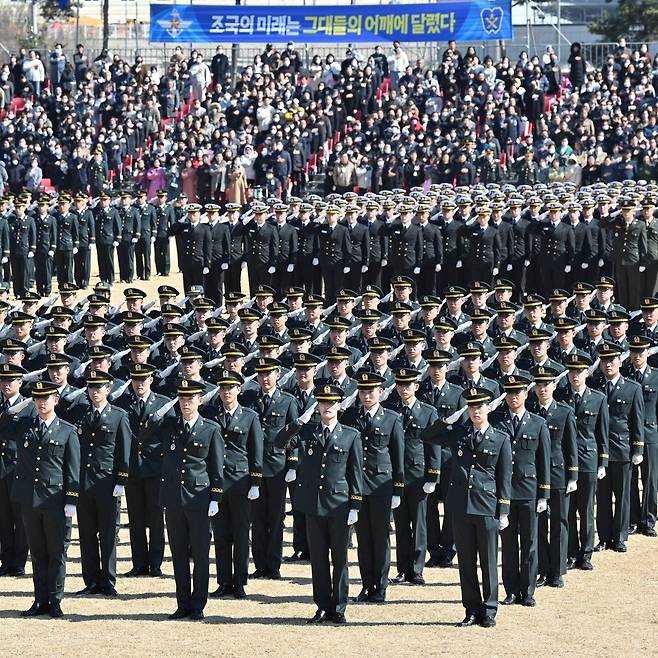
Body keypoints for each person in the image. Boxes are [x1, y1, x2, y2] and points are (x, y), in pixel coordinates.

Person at [422, 387, 512, 629]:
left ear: (488, 409)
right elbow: (426, 436)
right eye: (471, 407)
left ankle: (490, 609)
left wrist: (503, 510)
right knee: (467, 562)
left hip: (486, 507)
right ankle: (472, 608)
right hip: (460, 506)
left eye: (480, 407)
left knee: (488, 561)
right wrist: (446, 421)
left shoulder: (501, 438)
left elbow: (504, 477)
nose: (476, 412)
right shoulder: (458, 433)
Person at [274, 383, 362, 624]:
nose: (327, 407)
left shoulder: (351, 435)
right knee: (319, 560)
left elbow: (355, 473)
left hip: (340, 505)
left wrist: (355, 505)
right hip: (314, 505)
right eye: (323, 403)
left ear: (339, 406)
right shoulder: (307, 431)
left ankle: (339, 607)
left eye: (331, 403)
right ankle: (322, 606)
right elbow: (279, 442)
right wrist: (298, 423)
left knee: (340, 560)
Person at [13, 381, 79, 618]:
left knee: (56, 553)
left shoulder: (67, 431)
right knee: (38, 553)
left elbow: (72, 469)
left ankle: (55, 600)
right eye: (37, 398)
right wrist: (20, 405)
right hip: (30, 501)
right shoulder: (24, 426)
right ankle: (39, 600)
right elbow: (4, 422)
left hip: (55, 501)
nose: (41, 402)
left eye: (46, 398)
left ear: (56, 401)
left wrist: (71, 500)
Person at [341, 371, 404, 603]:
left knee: (380, 538)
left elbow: (398, 456)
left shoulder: (392, 418)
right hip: (357, 485)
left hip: (381, 486)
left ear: (380, 392)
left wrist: (398, 488)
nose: (367, 395)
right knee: (363, 538)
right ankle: (366, 585)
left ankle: (381, 586)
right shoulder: (350, 417)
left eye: (371, 391)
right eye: (363, 391)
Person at [492, 374, 550, 607]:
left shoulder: (538, 423)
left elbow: (543, 460)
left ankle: (527, 590)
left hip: (528, 491)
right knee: (507, 545)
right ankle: (511, 590)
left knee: (529, 543)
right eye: (510, 393)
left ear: (526, 394)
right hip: (505, 493)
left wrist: (544, 494)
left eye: (518, 392)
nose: (514, 397)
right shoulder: (497, 422)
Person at [205, 369, 263, 599]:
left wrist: (255, 482)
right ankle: (223, 581)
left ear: (239, 390)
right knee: (220, 534)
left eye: (230, 388)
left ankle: (239, 581)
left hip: (240, 482)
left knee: (240, 534)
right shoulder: (211, 415)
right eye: (222, 388)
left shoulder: (250, 417)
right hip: (217, 481)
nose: (226, 392)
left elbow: (256, 451)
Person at [239, 357, 298, 580]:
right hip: (252, 467)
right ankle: (259, 564)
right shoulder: (249, 398)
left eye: (269, 374)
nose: (265, 378)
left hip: (277, 467)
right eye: (261, 374)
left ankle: (273, 566)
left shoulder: (288, 401)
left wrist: (292, 463)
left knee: (275, 517)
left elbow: (293, 434)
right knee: (256, 517)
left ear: (277, 375)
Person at [75, 369, 131, 598]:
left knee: (108, 534)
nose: (94, 391)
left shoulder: (118, 416)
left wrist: (122, 480)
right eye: (91, 387)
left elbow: (124, 451)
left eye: (99, 387)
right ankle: (91, 581)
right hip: (84, 483)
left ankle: (108, 581)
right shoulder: (80, 414)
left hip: (107, 484)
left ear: (108, 389)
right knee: (87, 534)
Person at [115, 363, 173, 577]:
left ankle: (155, 564)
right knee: (136, 519)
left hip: (156, 468)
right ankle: (139, 563)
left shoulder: (163, 403)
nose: (139, 384)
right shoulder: (123, 403)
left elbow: (169, 436)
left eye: (144, 379)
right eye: (136, 379)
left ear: (151, 380)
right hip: (132, 468)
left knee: (156, 519)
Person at [384, 367, 440, 585]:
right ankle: (402, 568)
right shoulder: (389, 410)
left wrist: (432, 476)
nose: (403, 389)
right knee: (400, 524)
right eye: (400, 385)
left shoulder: (428, 412)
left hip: (418, 476)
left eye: (408, 385)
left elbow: (434, 446)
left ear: (416, 386)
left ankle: (416, 569)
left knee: (419, 524)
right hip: (395, 475)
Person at [557, 353, 609, 570]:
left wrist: (602, 462)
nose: (575, 375)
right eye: (572, 371)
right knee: (567, 511)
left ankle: (585, 554)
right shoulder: (560, 396)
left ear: (587, 373)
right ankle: (570, 552)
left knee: (586, 509)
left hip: (587, 459)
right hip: (565, 460)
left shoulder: (598, 398)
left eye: (579, 371)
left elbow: (602, 432)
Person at [593, 342, 645, 553]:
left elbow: (637, 420)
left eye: (612, 360)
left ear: (620, 361)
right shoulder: (594, 385)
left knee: (623, 496)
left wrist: (638, 449)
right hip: (599, 450)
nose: (608, 365)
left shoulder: (633, 388)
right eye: (604, 361)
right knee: (603, 497)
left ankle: (620, 536)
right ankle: (604, 537)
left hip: (622, 449)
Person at [0, 363, 30, 577]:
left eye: (10, 381)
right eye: (2, 381)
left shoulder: (28, 406)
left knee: (21, 518)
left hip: (18, 468)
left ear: (19, 382)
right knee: (3, 518)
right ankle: (6, 560)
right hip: (0, 469)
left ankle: (18, 562)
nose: (5, 384)